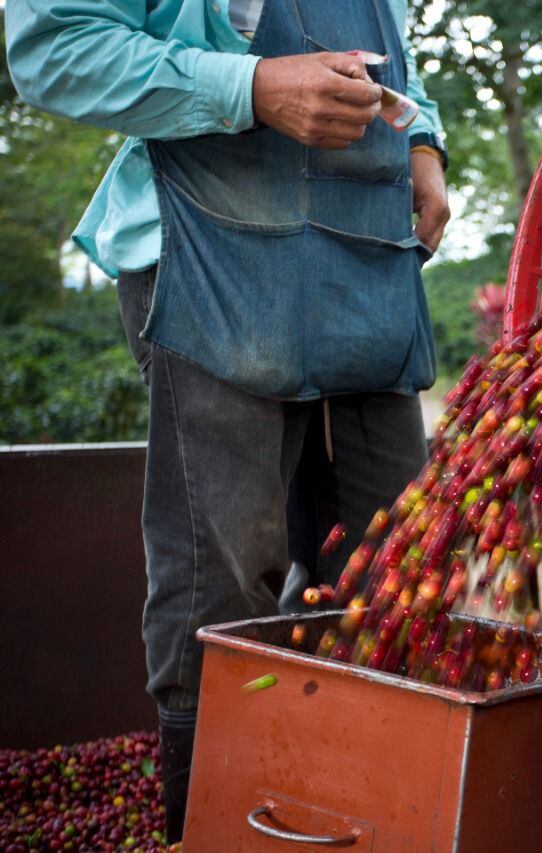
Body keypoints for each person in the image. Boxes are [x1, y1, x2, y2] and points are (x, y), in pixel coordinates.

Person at [6, 0, 449, 841]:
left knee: (393, 570)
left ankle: (361, 808)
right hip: (215, 253)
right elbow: (54, 47)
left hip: (367, 258)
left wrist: (422, 143)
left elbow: (392, 69)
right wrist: (250, 86)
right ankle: (214, 821)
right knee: (224, 570)